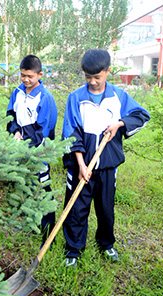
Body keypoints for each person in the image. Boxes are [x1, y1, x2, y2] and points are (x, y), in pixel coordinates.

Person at [61, 49, 150, 267]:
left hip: (108, 165)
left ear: (107, 71)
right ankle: (73, 249)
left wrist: (119, 124)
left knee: (106, 208)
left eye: (97, 77)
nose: (92, 82)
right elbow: (70, 133)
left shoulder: (118, 97)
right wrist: (81, 164)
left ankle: (106, 244)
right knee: (76, 208)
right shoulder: (76, 98)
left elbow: (141, 116)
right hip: (80, 165)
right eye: (88, 77)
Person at [6, 54, 58, 242]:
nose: (26, 80)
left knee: (42, 188)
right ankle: (29, 224)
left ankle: (48, 231)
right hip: (19, 149)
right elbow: (10, 115)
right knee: (25, 187)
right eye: (22, 75)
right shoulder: (17, 92)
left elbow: (43, 128)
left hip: (38, 153)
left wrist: (24, 137)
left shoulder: (45, 97)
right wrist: (14, 131)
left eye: (30, 76)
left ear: (40, 75)